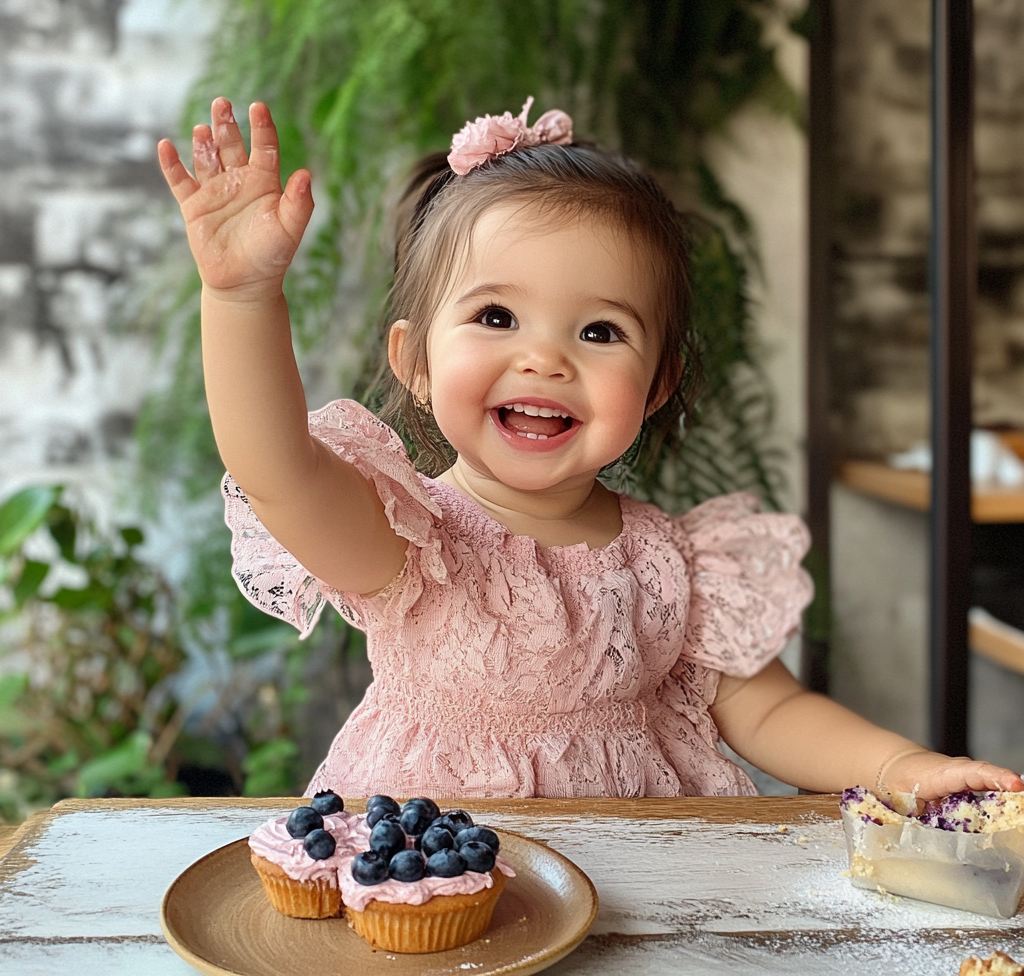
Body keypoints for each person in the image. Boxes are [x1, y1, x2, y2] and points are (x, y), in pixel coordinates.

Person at [158, 96, 1024, 802]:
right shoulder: (406, 541)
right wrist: (240, 299)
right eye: (496, 317)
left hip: (633, 897)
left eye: (601, 330)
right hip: (438, 894)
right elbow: (275, 470)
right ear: (415, 361)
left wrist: (905, 771)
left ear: (654, 386)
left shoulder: (675, 565)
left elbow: (770, 713)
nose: (546, 358)